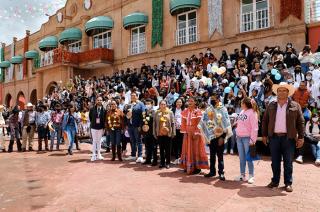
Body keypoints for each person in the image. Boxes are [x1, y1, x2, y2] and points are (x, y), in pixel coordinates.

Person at [262, 82, 304, 192]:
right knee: (275, 162)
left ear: (288, 92)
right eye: (279, 90)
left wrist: (301, 137)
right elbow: (265, 121)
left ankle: (288, 183)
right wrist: (265, 135)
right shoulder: (271, 105)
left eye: (284, 90)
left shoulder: (295, 105)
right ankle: (275, 181)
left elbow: (301, 122)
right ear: (277, 92)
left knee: (288, 162)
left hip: (288, 138)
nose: (281, 92)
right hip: (274, 138)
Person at [202, 92, 232, 180]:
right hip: (211, 136)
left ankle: (221, 172)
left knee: (220, 155)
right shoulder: (208, 109)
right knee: (211, 155)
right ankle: (212, 171)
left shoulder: (223, 109)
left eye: (214, 99)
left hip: (220, 136)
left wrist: (222, 137)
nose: (212, 100)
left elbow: (226, 123)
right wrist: (207, 135)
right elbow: (205, 121)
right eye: (211, 99)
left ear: (218, 99)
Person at [180, 97, 209, 175]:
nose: (190, 102)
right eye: (189, 101)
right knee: (187, 149)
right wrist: (184, 132)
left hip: (195, 132)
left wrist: (196, 133)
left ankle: (197, 167)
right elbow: (183, 123)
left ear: (195, 102)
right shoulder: (185, 111)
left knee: (195, 149)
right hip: (187, 133)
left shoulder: (198, 112)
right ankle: (188, 166)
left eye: (192, 101)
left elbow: (199, 123)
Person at [235, 97, 259, 184]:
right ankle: (242, 175)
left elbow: (255, 128)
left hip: (247, 138)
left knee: (249, 158)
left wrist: (253, 140)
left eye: (242, 103)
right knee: (241, 158)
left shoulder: (253, 113)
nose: (241, 104)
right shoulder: (242, 111)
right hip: (239, 137)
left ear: (245, 104)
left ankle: (251, 176)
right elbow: (239, 123)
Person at [153, 100, 175, 169]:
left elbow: (173, 123)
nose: (163, 105)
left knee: (168, 149)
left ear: (166, 105)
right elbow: (154, 123)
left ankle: (168, 162)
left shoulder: (170, 112)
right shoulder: (156, 113)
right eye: (161, 104)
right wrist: (154, 133)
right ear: (159, 105)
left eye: (164, 104)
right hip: (159, 133)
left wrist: (173, 133)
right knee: (161, 149)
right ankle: (162, 163)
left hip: (168, 134)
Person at [124, 92, 145, 163]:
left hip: (137, 126)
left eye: (134, 96)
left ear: (137, 96)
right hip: (130, 126)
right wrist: (127, 124)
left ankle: (140, 156)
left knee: (139, 141)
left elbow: (143, 115)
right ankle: (133, 155)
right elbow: (126, 115)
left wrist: (140, 125)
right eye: (131, 96)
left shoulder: (140, 104)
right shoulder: (129, 104)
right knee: (132, 141)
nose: (132, 97)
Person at [89, 96, 106, 161]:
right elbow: (90, 118)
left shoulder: (104, 110)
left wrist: (104, 128)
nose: (99, 101)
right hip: (94, 127)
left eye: (100, 100)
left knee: (99, 141)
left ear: (102, 101)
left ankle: (99, 154)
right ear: (96, 101)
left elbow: (104, 119)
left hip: (101, 127)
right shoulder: (92, 109)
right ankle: (93, 154)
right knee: (94, 141)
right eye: (98, 100)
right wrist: (93, 123)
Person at [141, 98, 157, 165]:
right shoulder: (144, 112)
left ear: (152, 104)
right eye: (146, 104)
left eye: (149, 104)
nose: (147, 105)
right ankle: (148, 159)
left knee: (154, 146)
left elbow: (156, 122)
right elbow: (142, 122)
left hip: (153, 131)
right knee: (147, 146)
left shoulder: (154, 112)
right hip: (146, 132)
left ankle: (155, 160)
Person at [172, 98, 184, 164]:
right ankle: (176, 158)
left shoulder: (184, 110)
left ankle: (181, 158)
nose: (179, 103)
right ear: (175, 103)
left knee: (181, 144)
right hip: (174, 129)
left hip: (182, 130)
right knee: (175, 143)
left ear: (182, 103)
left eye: (180, 102)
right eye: (177, 102)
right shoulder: (173, 110)